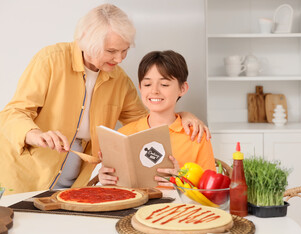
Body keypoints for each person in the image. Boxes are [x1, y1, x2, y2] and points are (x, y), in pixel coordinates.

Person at [0, 4, 209, 195]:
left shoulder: (120, 80)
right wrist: (33, 134)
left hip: (77, 185)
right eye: (111, 51)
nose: (119, 59)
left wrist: (183, 115)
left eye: (125, 51)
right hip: (27, 179)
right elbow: (13, 112)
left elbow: (149, 120)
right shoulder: (51, 61)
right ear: (88, 43)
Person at [99, 50, 216, 187]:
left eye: (164, 84)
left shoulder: (196, 135)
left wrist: (182, 183)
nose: (154, 91)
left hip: (179, 207)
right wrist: (105, 178)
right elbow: (116, 187)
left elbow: (211, 190)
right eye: (147, 84)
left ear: (182, 89)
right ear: (140, 88)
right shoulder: (124, 135)